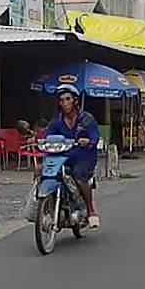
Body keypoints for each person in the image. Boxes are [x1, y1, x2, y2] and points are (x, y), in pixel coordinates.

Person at [47, 84, 101, 228]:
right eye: (62, 100)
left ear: (75, 101)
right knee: (42, 171)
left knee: (79, 175)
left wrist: (88, 141)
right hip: (62, 156)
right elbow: (47, 137)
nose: (64, 103)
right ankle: (48, 207)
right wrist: (35, 140)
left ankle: (90, 211)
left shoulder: (86, 119)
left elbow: (95, 136)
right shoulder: (56, 122)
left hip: (84, 156)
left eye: (68, 99)